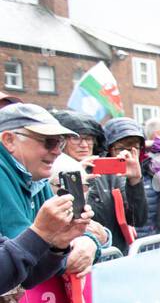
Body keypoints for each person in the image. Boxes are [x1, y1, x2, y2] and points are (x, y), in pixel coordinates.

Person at [0, 104, 96, 277]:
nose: (58, 152)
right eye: (49, 142)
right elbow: (19, 261)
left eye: (60, 142)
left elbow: (29, 267)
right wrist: (57, 246)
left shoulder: (36, 175)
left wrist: (66, 243)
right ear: (9, 140)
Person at [51, 110, 147, 254]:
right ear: (61, 141)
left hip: (111, 258)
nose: (84, 144)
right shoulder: (51, 172)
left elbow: (136, 219)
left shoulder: (108, 174)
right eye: (76, 138)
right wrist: (76, 182)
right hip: (74, 258)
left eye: (89, 138)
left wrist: (135, 182)